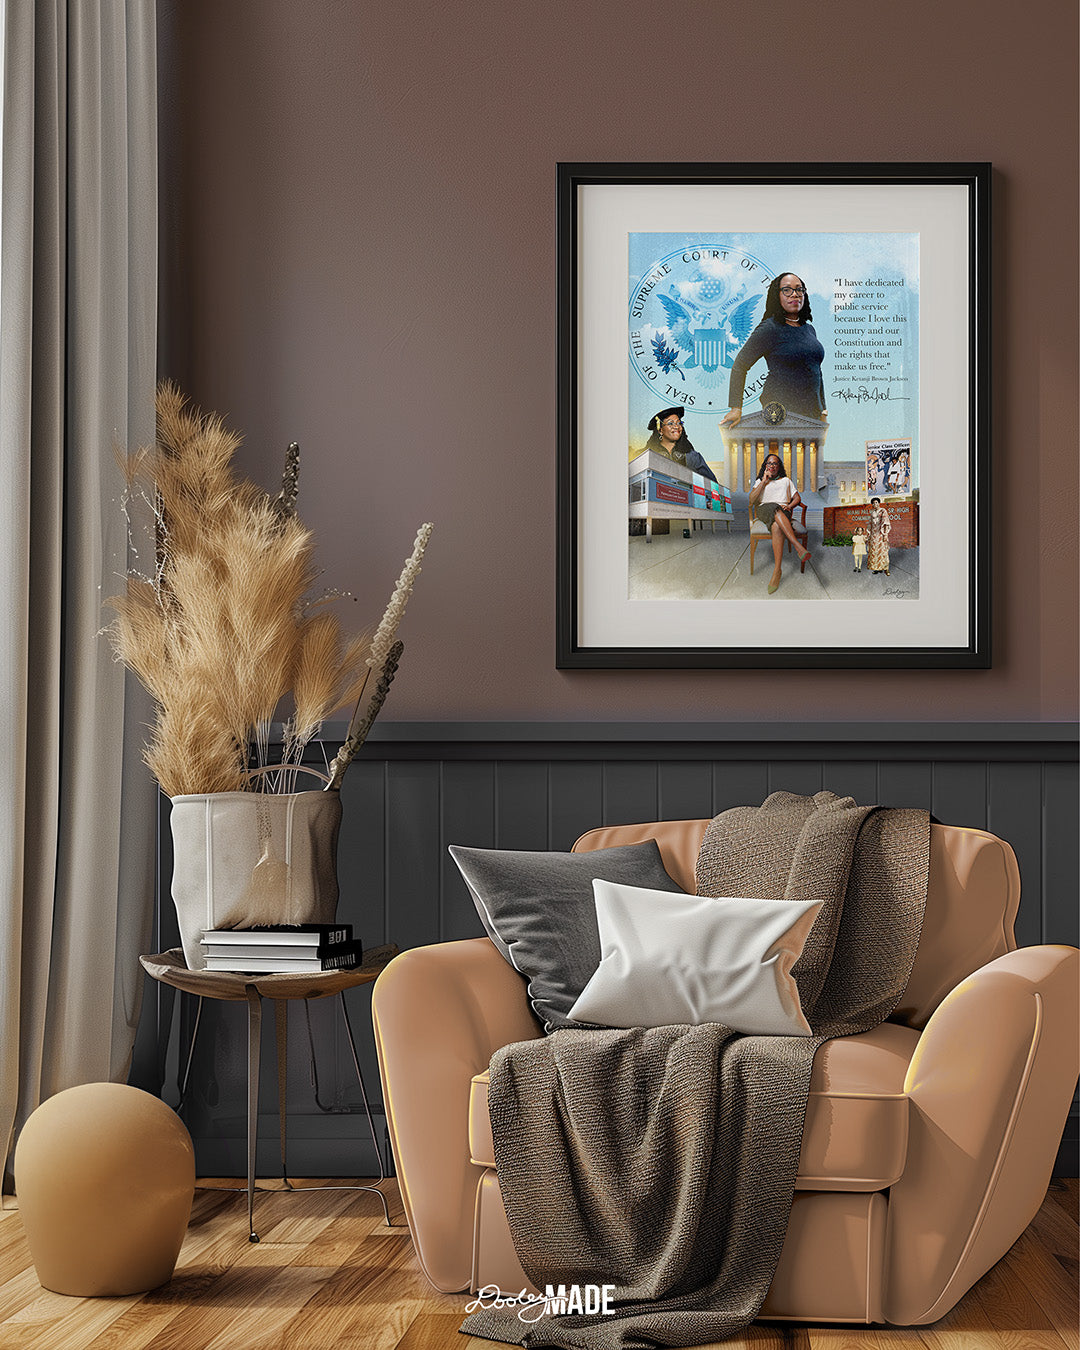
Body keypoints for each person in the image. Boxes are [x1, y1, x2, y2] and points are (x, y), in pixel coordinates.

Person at [720, 273, 828, 429]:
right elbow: (740, 365)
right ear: (776, 295)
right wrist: (736, 408)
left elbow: (817, 370)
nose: (794, 295)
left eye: (799, 290)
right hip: (780, 413)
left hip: (812, 415)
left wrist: (823, 412)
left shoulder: (809, 329)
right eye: (787, 290)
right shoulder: (770, 328)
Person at [748, 452, 809, 594]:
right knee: (773, 507)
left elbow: (797, 498)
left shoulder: (786, 481)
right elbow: (751, 500)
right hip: (764, 509)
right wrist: (763, 481)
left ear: (779, 466)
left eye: (775, 463)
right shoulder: (759, 481)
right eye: (769, 463)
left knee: (776, 526)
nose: (772, 466)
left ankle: (777, 571)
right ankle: (797, 546)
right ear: (765, 466)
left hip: (783, 512)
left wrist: (790, 506)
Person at [645, 407, 719, 483]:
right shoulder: (648, 456)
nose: (676, 427)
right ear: (660, 430)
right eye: (670, 423)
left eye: (679, 423)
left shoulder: (692, 457)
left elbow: (713, 484)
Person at [868, 497, 891, 575]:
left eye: (876, 502)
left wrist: (885, 534)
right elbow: (870, 524)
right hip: (874, 535)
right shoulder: (872, 513)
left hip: (881, 534)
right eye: (873, 503)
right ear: (872, 505)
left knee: (883, 551)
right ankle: (877, 568)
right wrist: (869, 534)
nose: (875, 504)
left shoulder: (883, 511)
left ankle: (886, 569)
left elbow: (886, 523)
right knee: (875, 551)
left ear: (879, 503)